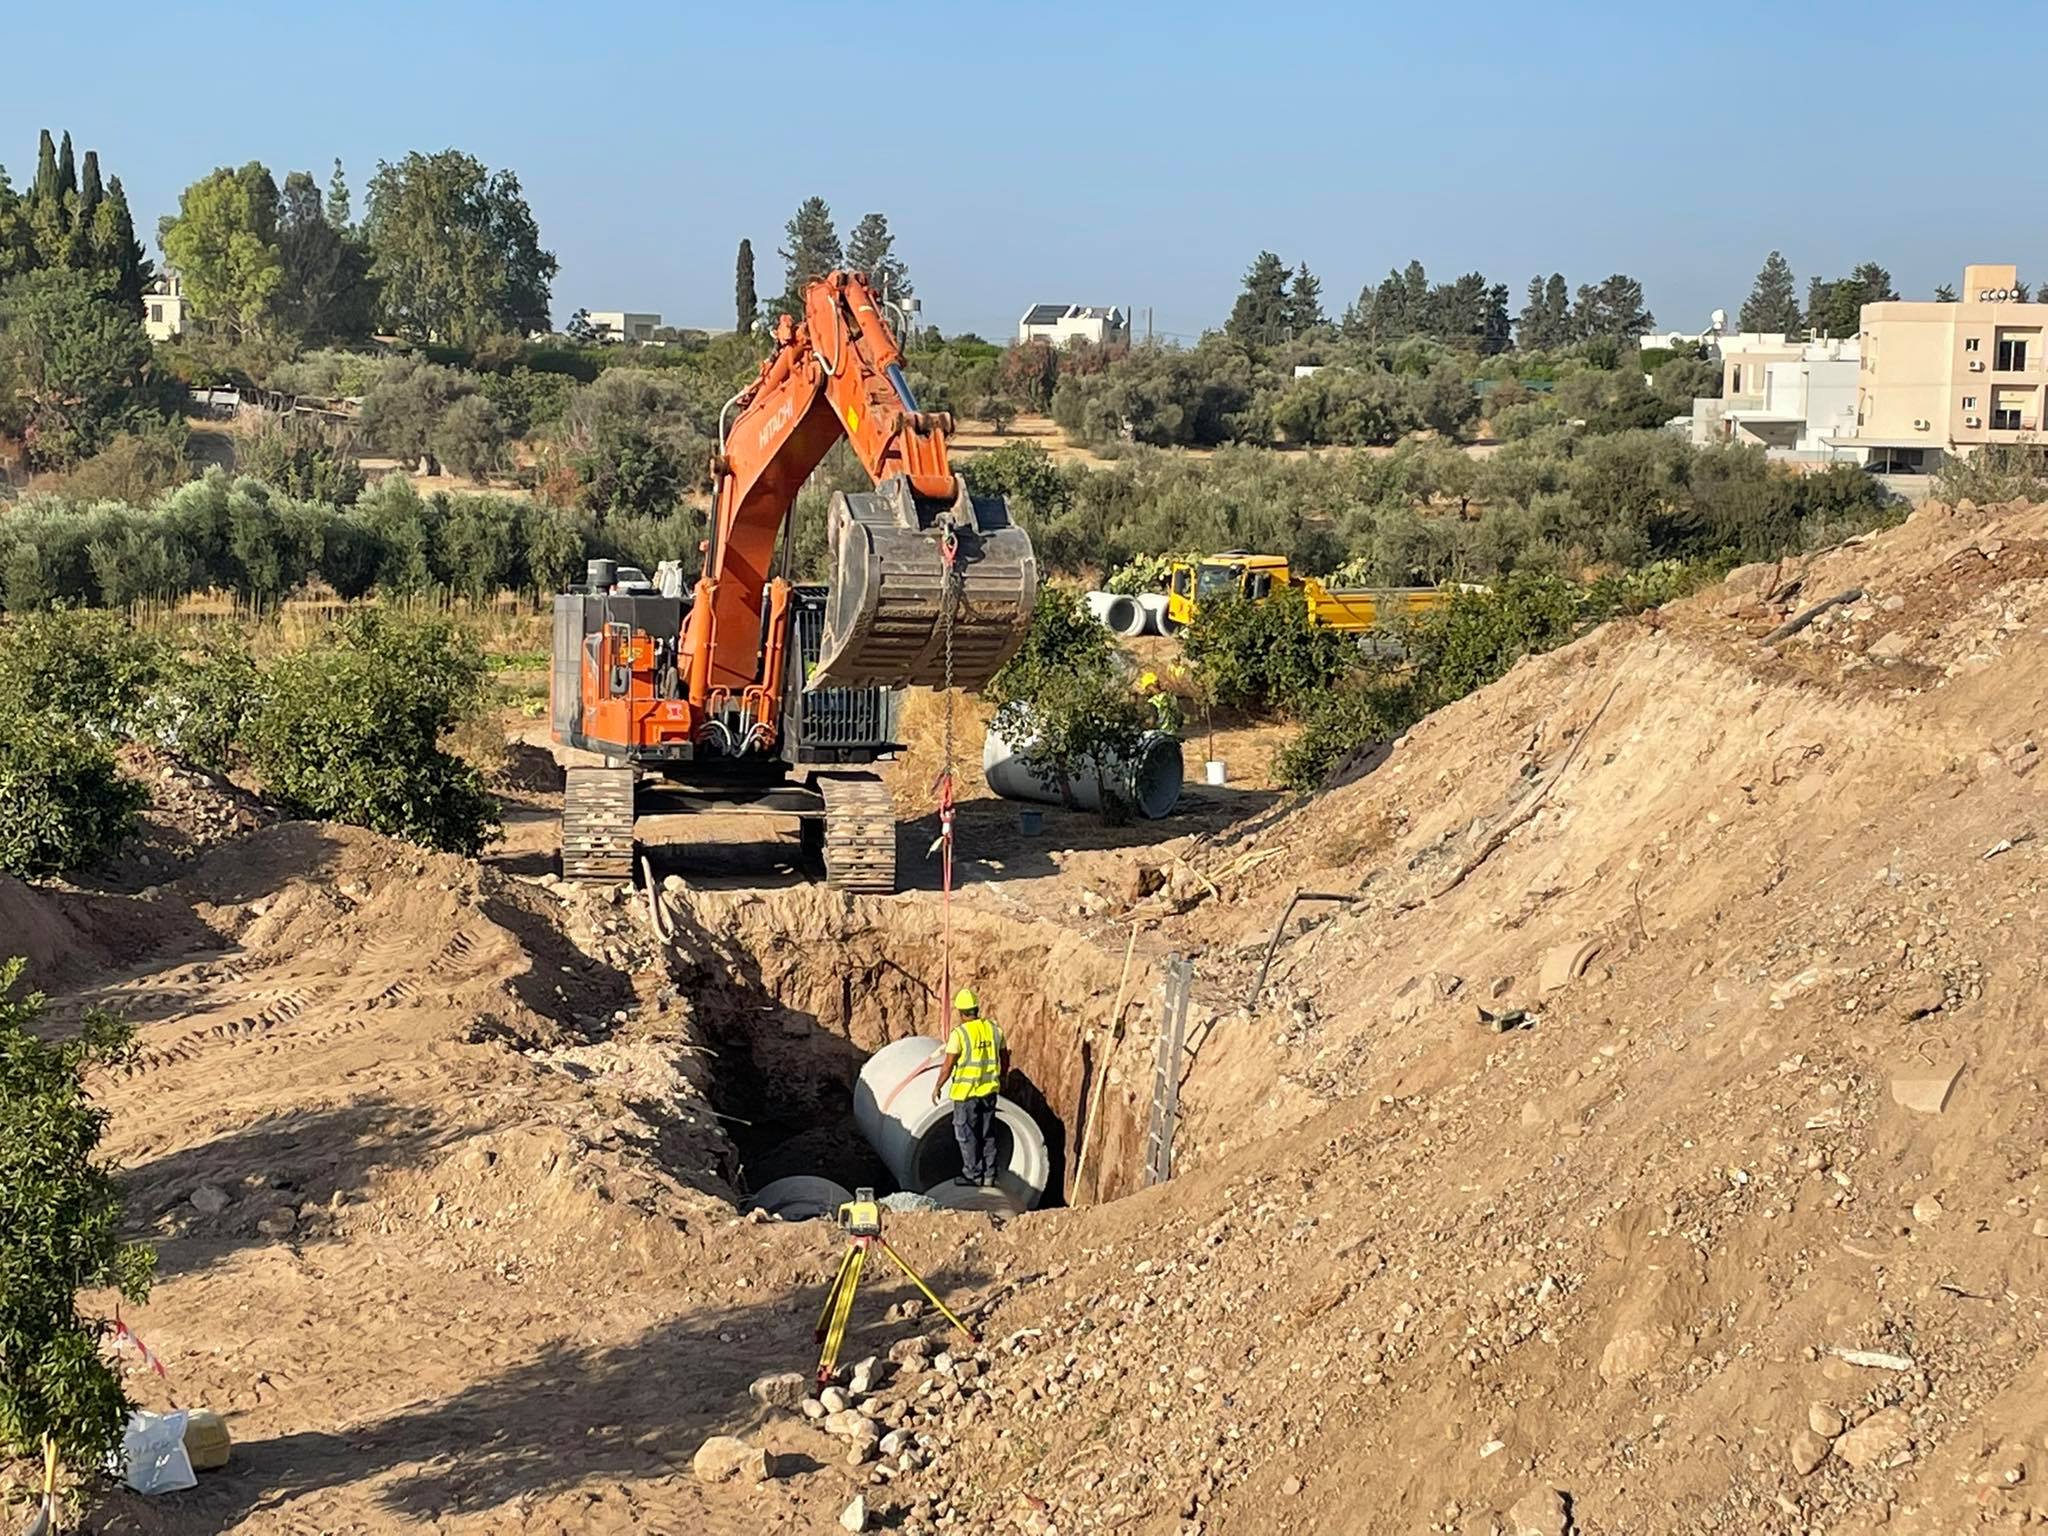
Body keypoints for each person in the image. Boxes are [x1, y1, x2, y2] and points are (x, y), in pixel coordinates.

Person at [932, 988, 1009, 1187]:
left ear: (960, 1012)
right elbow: (1005, 1056)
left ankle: (972, 1175)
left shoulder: (959, 1034)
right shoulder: (994, 1029)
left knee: (966, 1135)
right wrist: (1003, 1076)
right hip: (989, 1091)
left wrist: (938, 1086)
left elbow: (948, 1064)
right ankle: (989, 1175)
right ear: (976, 1008)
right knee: (988, 1133)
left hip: (966, 1094)